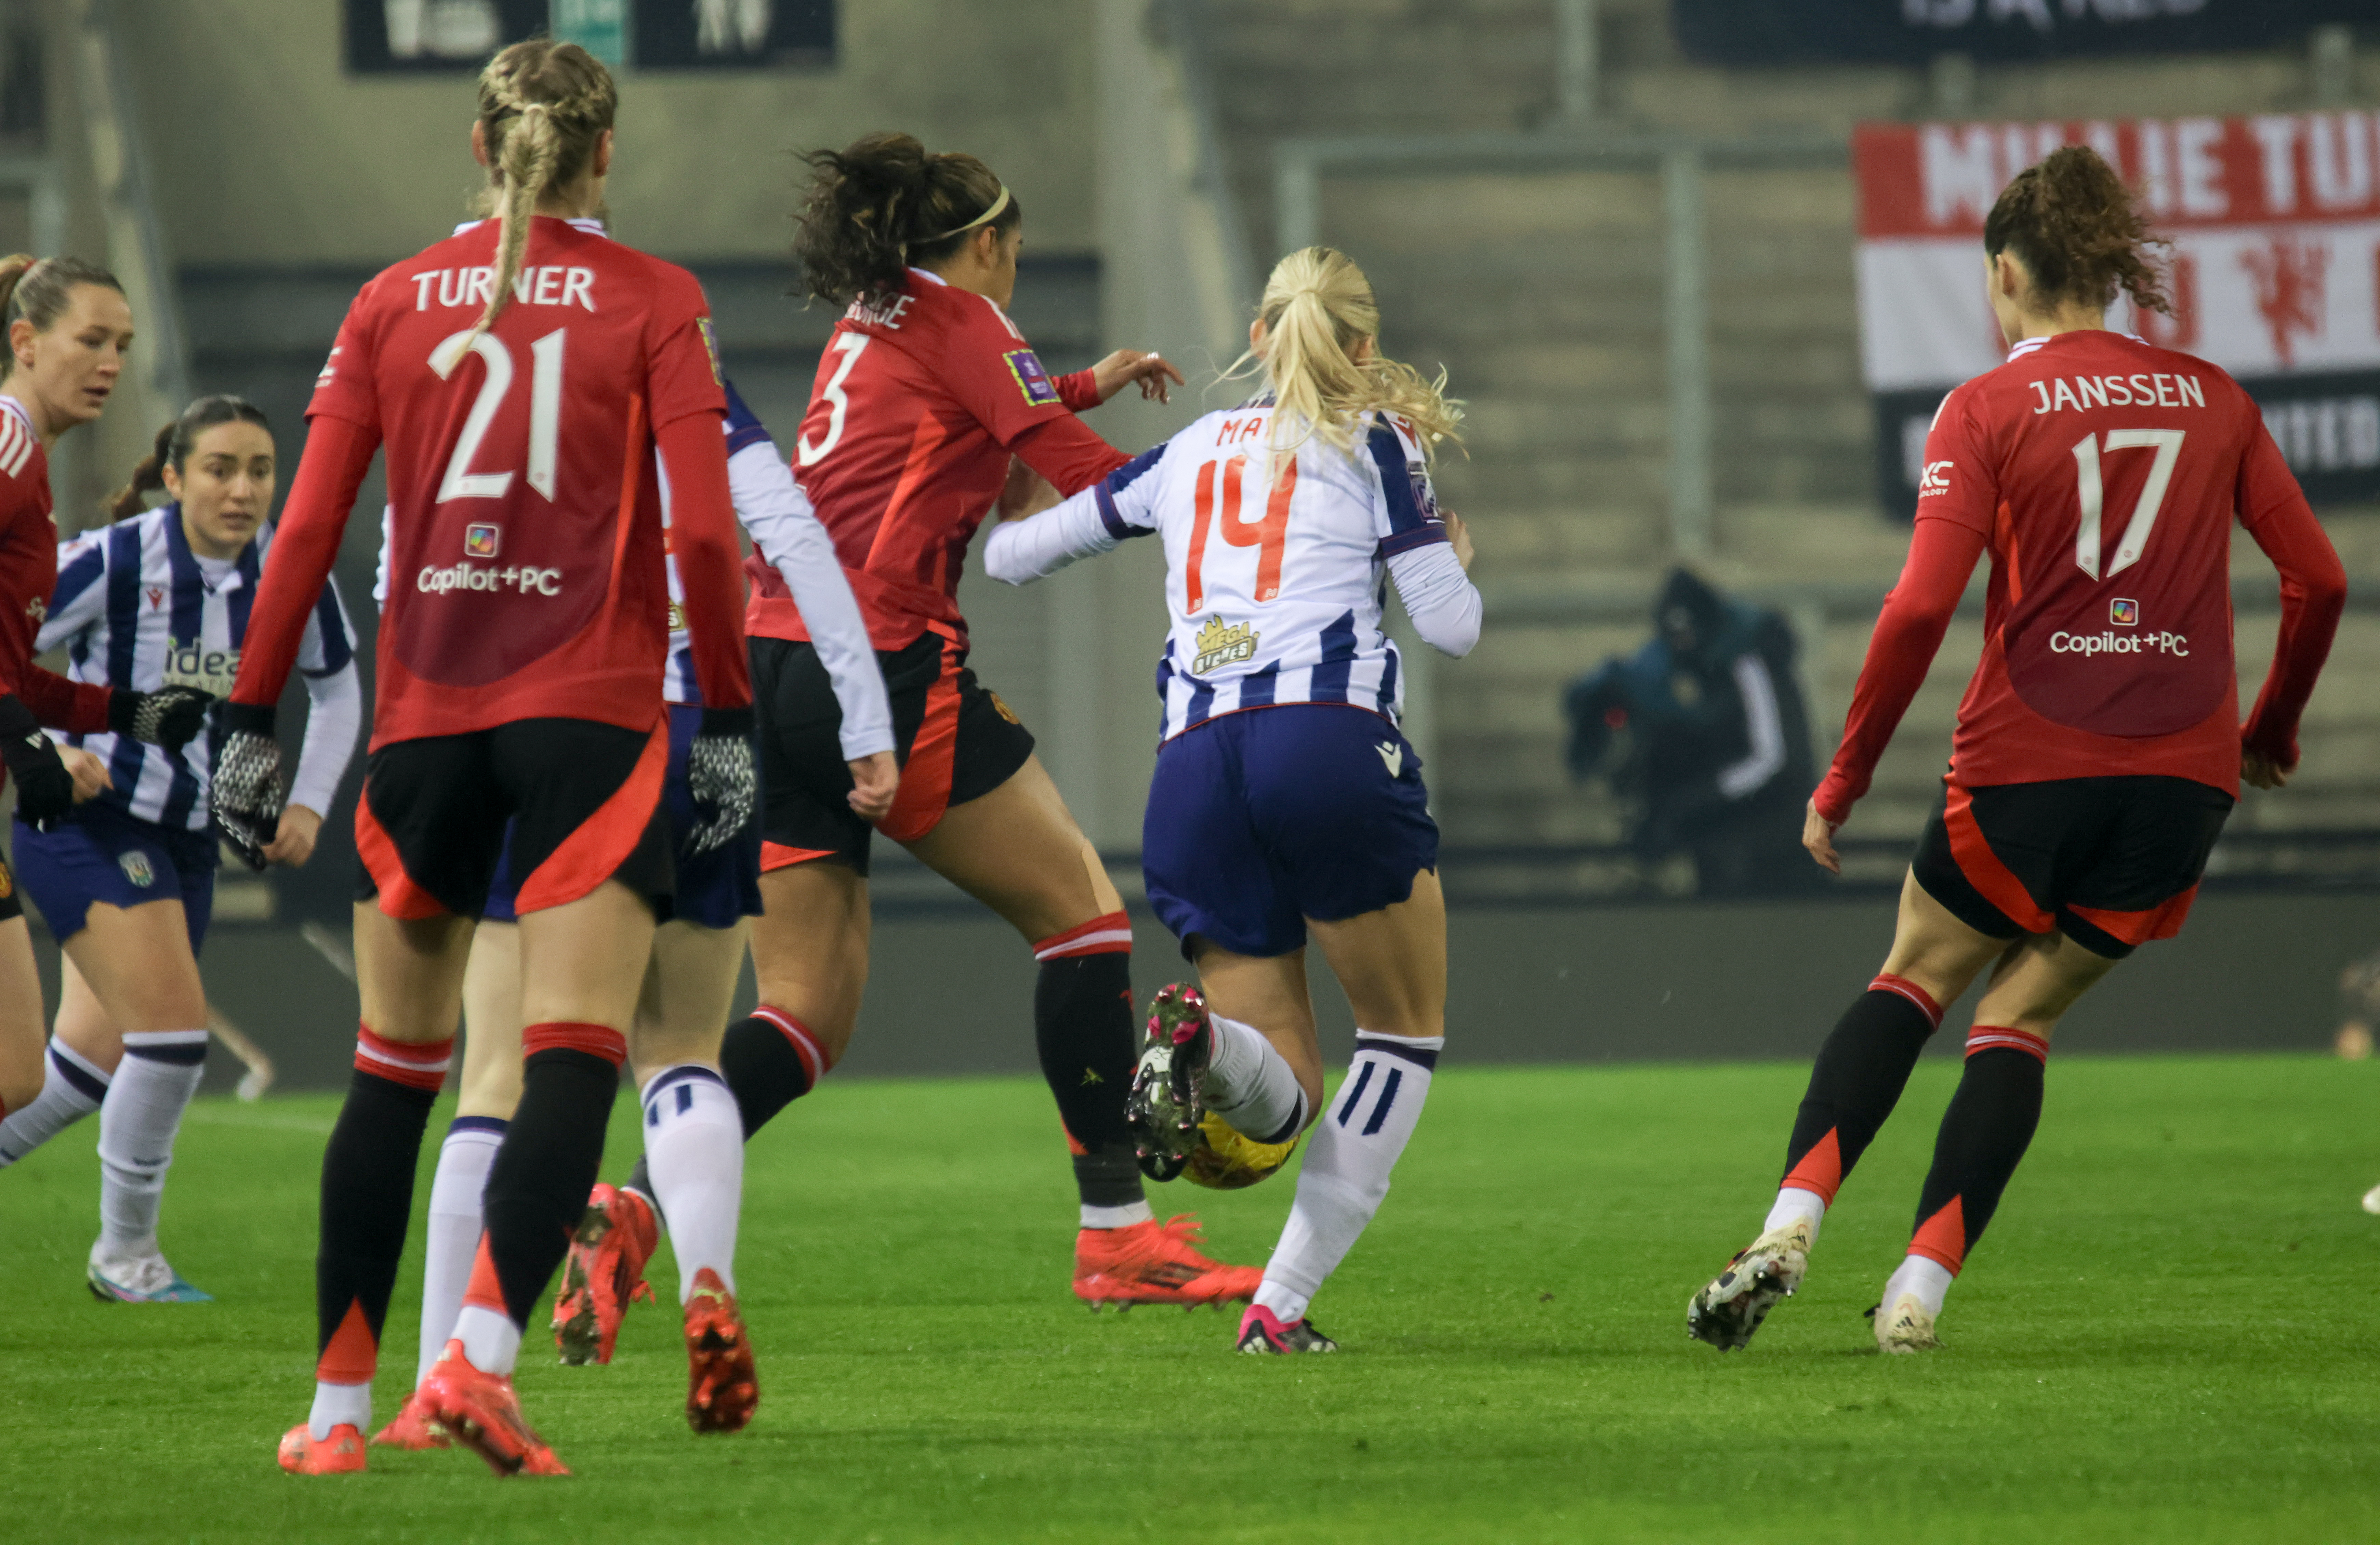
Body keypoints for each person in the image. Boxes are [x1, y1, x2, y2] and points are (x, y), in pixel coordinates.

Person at [564, 131, 1266, 1317]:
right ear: (986, 244)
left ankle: (631, 1211)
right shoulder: (970, 322)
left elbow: (956, 431)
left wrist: (1078, 382)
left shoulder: (873, 317)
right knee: (1084, 923)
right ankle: (1118, 1238)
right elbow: (1073, 465)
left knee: (800, 1017)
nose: (1016, 279)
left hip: (765, 661)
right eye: (1017, 253)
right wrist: (1225, 483)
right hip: (878, 664)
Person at [1686, 146, 2348, 1355]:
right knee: (2021, 1018)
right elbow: (2321, 577)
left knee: (1915, 979)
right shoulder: (2216, 398)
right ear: (2107, 273)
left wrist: (1843, 779)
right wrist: (2270, 732)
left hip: (2027, 763)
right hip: (2179, 783)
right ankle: (1917, 1298)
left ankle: (1787, 1228)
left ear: (2006, 274)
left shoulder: (1985, 407)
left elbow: (1918, 611)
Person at [217, 39, 758, 1477]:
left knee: (396, 1068)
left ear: (476, 142)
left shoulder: (389, 301)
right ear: (606, 155)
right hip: (587, 717)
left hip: (421, 723)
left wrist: (245, 717)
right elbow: (704, 535)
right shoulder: (658, 298)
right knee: (571, 1050)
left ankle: (336, 1416)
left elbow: (310, 532)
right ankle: (477, 1359)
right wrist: (740, 719)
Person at [370, 374, 893, 1445]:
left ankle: (438, 1378)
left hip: (543, 728)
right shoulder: (673, 354)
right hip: (701, 730)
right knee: (685, 1050)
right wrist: (862, 713)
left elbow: (399, 576)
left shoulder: (469, 368)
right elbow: (792, 534)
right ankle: (705, 1279)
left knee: (500, 1066)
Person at [985, 245, 1482, 1352]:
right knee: (1399, 1039)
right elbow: (1450, 625)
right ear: (1364, 348)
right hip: (1329, 749)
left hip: (1195, 772)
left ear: (1258, 339)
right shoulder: (1379, 440)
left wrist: (1010, 488)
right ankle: (1280, 1308)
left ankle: (1201, 1043)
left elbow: (1014, 560)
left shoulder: (1188, 451)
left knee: (1284, 1088)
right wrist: (1449, 554)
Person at [0, 396, 360, 1308]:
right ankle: (127, 1259)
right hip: (89, 825)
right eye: (220, 469)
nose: (243, 490)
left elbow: (339, 688)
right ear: (174, 476)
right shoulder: (113, 560)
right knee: (171, 1041)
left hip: (187, 842)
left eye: (261, 470)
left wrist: (311, 806)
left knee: (85, 1068)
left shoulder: (292, 568)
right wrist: (44, 746)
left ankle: (125, 1252)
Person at [0, 256, 211, 1176]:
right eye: (91, 339)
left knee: (15, 1072)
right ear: (24, 341)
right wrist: (32, 744)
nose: (112, 361)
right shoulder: (7, 443)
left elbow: (17, 671)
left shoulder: (33, 475)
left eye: (122, 344)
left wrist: (119, 711)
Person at [1562, 567, 1816, 895]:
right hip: (1731, 821)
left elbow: (1773, 758)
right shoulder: (1694, 659)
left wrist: (1701, 798)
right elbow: (1640, 682)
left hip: (1773, 826)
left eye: (1688, 634)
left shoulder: (1749, 661)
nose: (1681, 644)